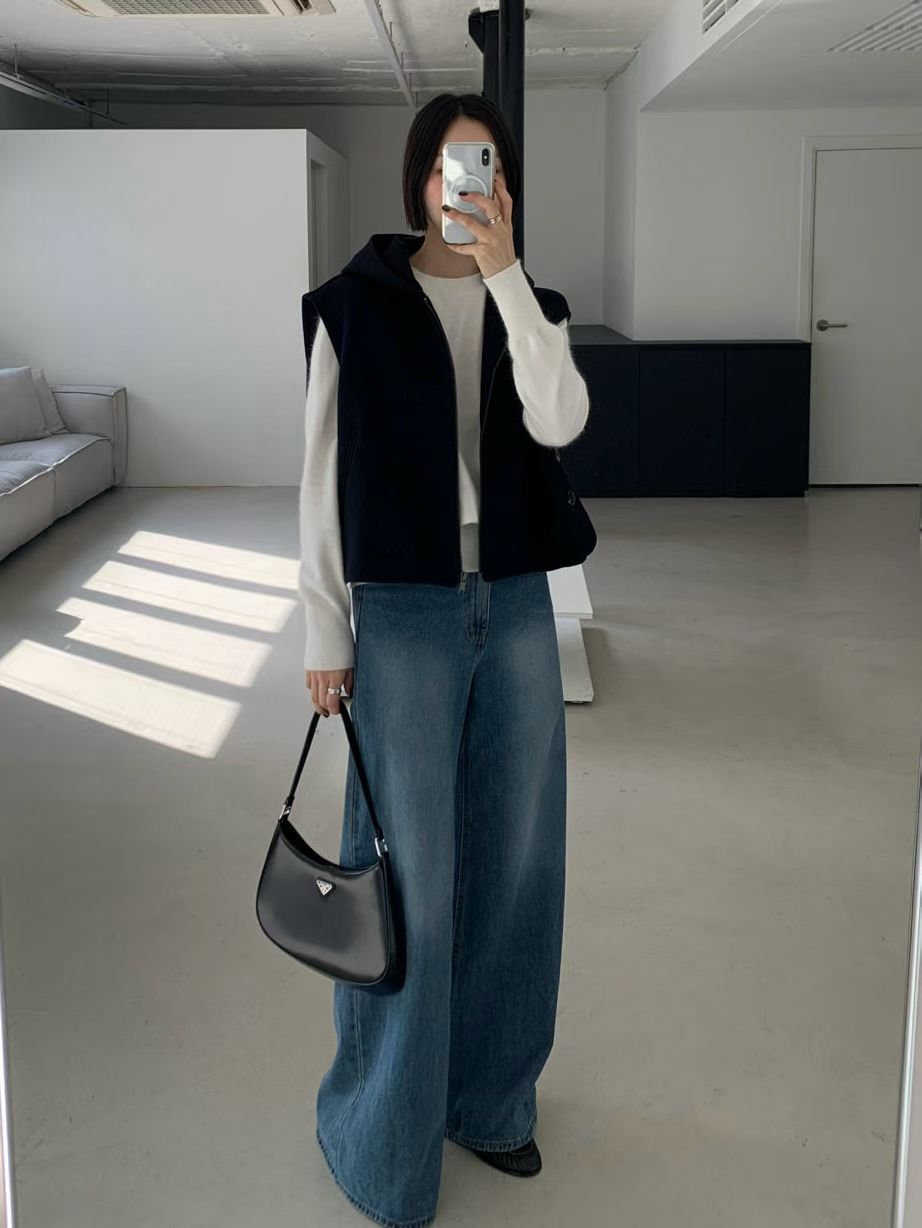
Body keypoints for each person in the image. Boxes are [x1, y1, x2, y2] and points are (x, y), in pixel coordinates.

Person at [298, 91, 597, 1228]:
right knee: (407, 873)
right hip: (404, 613)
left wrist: (506, 275)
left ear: (503, 186)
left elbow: (562, 422)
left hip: (514, 602)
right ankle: (382, 1137)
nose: (465, 184)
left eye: (487, 167)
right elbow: (320, 476)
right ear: (419, 178)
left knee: (520, 860)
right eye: (448, 165)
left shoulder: (534, 305)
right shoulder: (353, 305)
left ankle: (491, 1100)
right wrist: (325, 631)